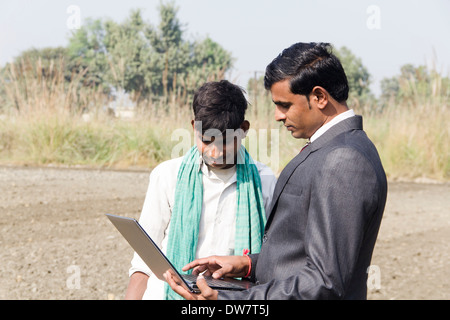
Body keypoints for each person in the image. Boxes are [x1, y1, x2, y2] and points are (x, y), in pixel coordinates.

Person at [164, 42, 388, 300]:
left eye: (284, 105)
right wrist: (247, 265)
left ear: (319, 97)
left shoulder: (343, 159)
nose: (277, 116)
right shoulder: (331, 149)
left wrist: (230, 301)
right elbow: (299, 256)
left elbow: (324, 282)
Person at [125, 80, 277, 300]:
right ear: (194, 126)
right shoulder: (167, 175)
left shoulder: (264, 181)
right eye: (206, 140)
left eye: (224, 142)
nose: (214, 153)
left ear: (243, 130)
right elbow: (145, 256)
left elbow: (271, 258)